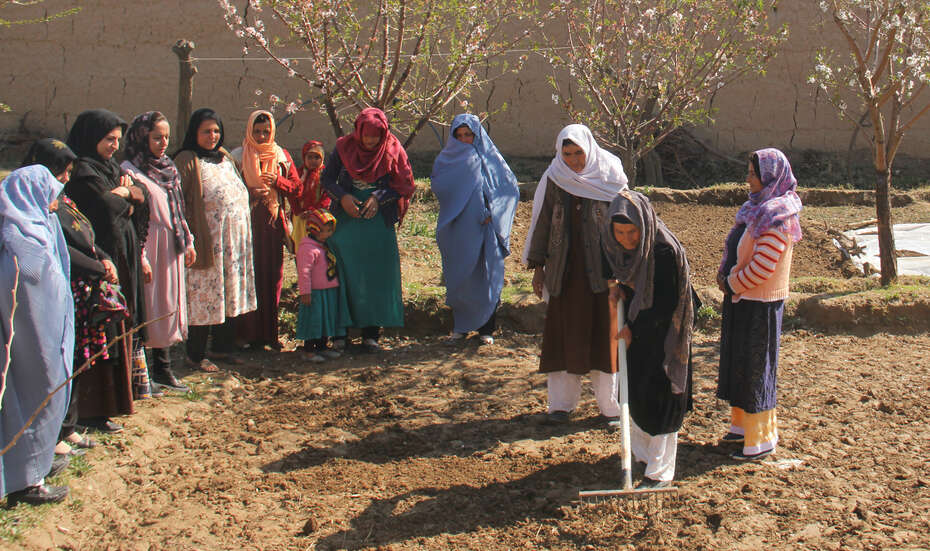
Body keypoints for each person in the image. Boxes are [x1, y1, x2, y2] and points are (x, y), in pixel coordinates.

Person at [523, 124, 628, 426]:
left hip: (605, 274)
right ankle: (561, 406)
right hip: (565, 274)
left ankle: (610, 408)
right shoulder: (556, 178)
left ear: (589, 149)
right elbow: (542, 222)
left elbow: (627, 224)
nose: (572, 160)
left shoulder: (610, 177)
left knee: (605, 339)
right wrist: (539, 267)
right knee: (564, 339)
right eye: (566, 153)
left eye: (578, 153)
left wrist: (626, 269)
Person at [603, 189, 697, 489]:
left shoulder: (662, 251)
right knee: (638, 393)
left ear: (644, 225)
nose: (627, 239)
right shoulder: (620, 248)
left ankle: (659, 472)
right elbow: (626, 278)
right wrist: (617, 289)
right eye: (620, 232)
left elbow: (664, 305)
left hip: (666, 334)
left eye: (633, 232)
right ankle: (642, 456)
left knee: (662, 397)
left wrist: (633, 329)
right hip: (639, 330)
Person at [716, 148, 802, 461]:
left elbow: (764, 266)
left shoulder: (777, 215)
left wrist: (732, 282)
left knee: (755, 371)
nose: (748, 179)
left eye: (754, 173)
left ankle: (760, 439)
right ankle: (741, 429)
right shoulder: (756, 208)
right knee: (739, 367)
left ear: (770, 177)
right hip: (742, 301)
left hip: (759, 305)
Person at [66, 109, 149, 430]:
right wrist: (125, 196)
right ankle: (93, 412)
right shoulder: (83, 172)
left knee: (120, 327)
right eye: (108, 139)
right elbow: (102, 206)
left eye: (118, 140)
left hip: (120, 259)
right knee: (102, 333)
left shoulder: (109, 169)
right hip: (98, 264)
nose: (114, 146)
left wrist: (126, 193)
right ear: (91, 138)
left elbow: (139, 196)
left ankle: (116, 402)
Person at [20, 139, 105, 455]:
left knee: (71, 360)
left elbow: (82, 235)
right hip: (42, 304)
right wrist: (97, 266)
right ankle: (46, 441)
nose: (66, 178)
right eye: (60, 171)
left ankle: (65, 428)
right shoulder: (26, 206)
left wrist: (101, 259)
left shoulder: (60, 201)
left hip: (69, 296)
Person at [0, 164, 75, 505]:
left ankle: (39, 465)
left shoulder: (40, 226)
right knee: (32, 396)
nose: (56, 201)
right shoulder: (16, 239)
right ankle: (25, 481)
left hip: (47, 333)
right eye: (51, 193)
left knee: (48, 394)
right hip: (29, 340)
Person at [321, 108, 415, 352]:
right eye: (367, 135)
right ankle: (340, 331)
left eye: (376, 135)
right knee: (343, 270)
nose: (371, 140)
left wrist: (377, 197)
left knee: (375, 273)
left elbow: (404, 184)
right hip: (346, 218)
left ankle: (371, 333)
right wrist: (343, 198)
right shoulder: (344, 148)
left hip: (377, 222)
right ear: (358, 131)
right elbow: (327, 179)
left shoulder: (393, 150)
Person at [174, 108, 257, 372]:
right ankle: (195, 356)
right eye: (206, 131)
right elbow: (177, 201)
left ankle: (223, 348)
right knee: (204, 295)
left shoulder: (224, 157)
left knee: (229, 292)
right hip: (206, 242)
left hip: (233, 242)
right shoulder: (186, 159)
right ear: (194, 133)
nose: (212, 136)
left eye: (216, 131)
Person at [121, 111, 195, 392]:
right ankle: (145, 373)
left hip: (170, 247)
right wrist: (139, 255)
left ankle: (164, 370)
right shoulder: (130, 170)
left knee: (166, 305)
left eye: (166, 137)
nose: (163, 143)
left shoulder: (168, 168)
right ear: (142, 138)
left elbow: (178, 209)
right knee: (149, 306)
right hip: (149, 246)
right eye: (156, 137)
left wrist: (188, 240)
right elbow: (132, 218)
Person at [430, 114, 519, 345]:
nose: (463, 139)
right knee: (460, 277)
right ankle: (460, 327)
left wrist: (494, 213)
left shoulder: (490, 158)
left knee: (486, 277)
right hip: (458, 228)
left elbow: (508, 188)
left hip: (485, 229)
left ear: (476, 135)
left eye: (468, 135)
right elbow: (440, 186)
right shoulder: (445, 160)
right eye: (458, 136)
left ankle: (486, 329)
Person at [235, 110, 301, 351]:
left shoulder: (282, 157)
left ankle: (269, 335)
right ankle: (246, 334)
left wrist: (277, 182)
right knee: (248, 278)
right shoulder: (238, 156)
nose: (262, 136)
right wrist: (249, 193)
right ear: (249, 131)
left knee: (272, 278)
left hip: (272, 227)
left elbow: (297, 189)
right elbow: (228, 190)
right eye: (257, 131)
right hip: (245, 226)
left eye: (266, 132)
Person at [295, 209, 348, 361]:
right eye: (325, 231)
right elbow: (304, 271)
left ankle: (322, 347)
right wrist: (305, 292)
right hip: (315, 293)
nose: (329, 234)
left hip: (328, 290)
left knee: (326, 320)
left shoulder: (323, 246)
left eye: (330, 230)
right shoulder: (308, 248)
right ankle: (309, 350)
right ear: (315, 230)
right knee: (314, 321)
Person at [290, 140, 331, 249]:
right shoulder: (298, 174)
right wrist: (298, 211)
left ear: (322, 158)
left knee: (318, 246)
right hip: (300, 217)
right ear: (304, 157)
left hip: (319, 218)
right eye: (310, 157)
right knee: (301, 244)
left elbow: (327, 196)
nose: (313, 161)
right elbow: (292, 194)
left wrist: (313, 211)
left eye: (317, 157)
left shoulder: (326, 175)